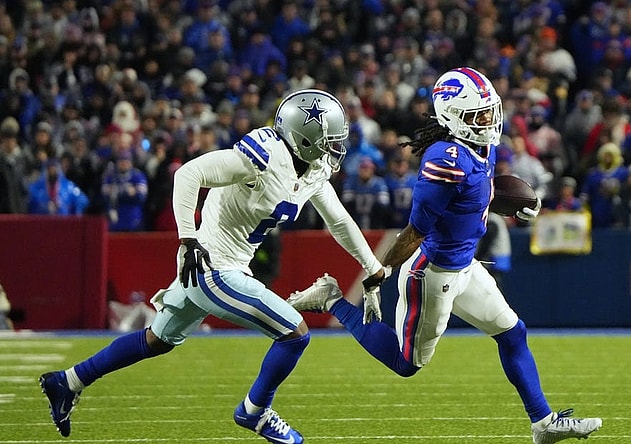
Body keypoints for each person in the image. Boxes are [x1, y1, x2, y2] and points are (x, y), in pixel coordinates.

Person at [39, 89, 387, 444]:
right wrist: (186, 239)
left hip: (226, 265)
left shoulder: (311, 169)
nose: (334, 149)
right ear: (304, 138)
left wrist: (373, 270)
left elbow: (339, 220)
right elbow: (189, 175)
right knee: (294, 333)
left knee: (156, 341)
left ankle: (68, 381)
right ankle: (254, 411)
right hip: (211, 265)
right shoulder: (264, 157)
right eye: (328, 141)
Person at [288, 67, 602, 444]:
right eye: (480, 115)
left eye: (490, 112)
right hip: (432, 274)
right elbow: (415, 231)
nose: (489, 121)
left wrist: (504, 203)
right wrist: (377, 272)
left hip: (464, 265)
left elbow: (471, 199)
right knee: (407, 364)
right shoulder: (445, 161)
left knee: (513, 333)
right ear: (454, 117)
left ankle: (543, 423)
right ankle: (334, 299)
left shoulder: (477, 146)